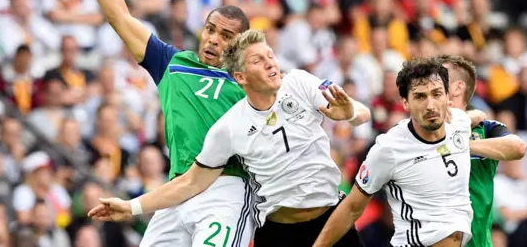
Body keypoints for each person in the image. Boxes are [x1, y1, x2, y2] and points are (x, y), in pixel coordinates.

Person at [66, 0, 254, 247]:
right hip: (176, 191)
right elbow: (119, 16)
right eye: (211, 29)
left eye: (225, 36)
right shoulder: (173, 64)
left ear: (239, 45)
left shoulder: (249, 84)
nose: (212, 39)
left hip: (225, 192)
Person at [88, 29, 372, 247]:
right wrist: (131, 207)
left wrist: (349, 112)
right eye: (258, 61)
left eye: (270, 55)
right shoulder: (230, 127)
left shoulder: (298, 82)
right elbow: (189, 182)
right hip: (279, 232)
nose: (271, 64)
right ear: (241, 77)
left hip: (331, 218)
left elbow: (360, 112)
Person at [313, 58, 487, 247]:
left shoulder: (459, 123)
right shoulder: (389, 148)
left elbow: (473, 118)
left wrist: (473, 116)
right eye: (420, 97)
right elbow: (351, 207)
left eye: (436, 94)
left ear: (447, 96)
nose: (430, 105)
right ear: (405, 103)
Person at [440, 55, 527, 247]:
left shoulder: (486, 129)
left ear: (458, 88)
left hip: (477, 241)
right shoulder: (425, 130)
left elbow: (518, 147)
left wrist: (462, 145)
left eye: (439, 77)